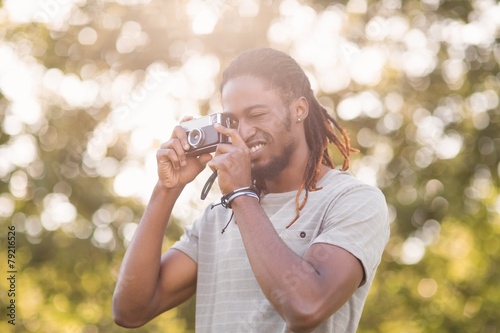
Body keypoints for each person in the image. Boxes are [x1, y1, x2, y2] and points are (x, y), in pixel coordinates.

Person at [112, 48, 390, 333]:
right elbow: (130, 310)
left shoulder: (352, 201)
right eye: (233, 121)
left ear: (299, 109)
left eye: (257, 114)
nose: (243, 132)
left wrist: (242, 195)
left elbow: (306, 307)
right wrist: (166, 190)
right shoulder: (218, 218)